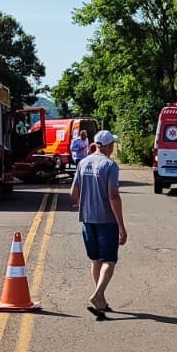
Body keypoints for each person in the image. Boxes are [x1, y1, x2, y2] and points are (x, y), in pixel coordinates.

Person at [70, 130, 127, 318]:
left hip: (87, 219)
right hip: (106, 220)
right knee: (109, 260)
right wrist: (121, 226)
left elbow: (73, 192)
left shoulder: (83, 162)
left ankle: (101, 300)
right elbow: (113, 196)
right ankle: (97, 295)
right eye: (113, 145)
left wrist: (85, 204)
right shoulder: (110, 165)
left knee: (96, 260)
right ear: (109, 146)